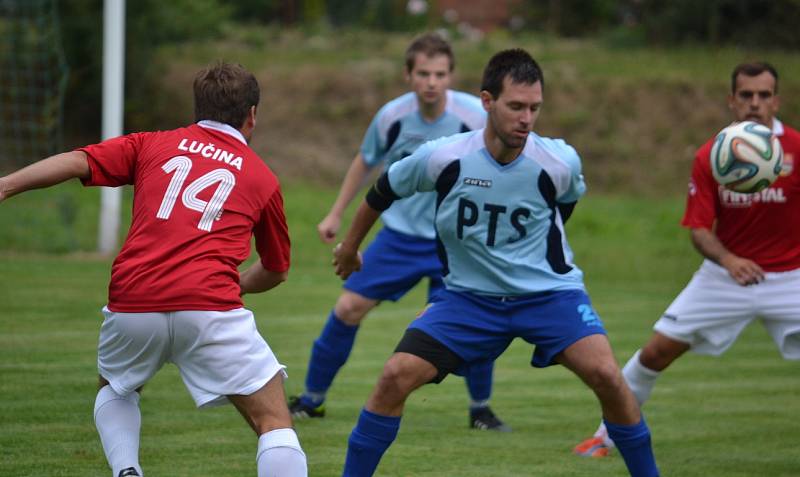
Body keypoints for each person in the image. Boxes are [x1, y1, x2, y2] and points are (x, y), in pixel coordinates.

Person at [332, 48, 660, 477]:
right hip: (469, 301)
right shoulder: (444, 157)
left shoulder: (559, 161)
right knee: (394, 377)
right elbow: (383, 190)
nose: (526, 118)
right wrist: (350, 247)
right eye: (515, 106)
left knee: (608, 377)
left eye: (534, 108)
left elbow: (565, 204)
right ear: (487, 101)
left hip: (549, 295)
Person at [0, 62, 307, 477]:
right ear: (252, 115)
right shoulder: (262, 178)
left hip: (133, 302)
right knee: (272, 421)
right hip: (210, 308)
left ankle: (127, 470)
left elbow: (77, 161)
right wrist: (234, 284)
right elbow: (276, 269)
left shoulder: (152, 144)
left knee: (116, 386)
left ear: (198, 107)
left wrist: (6, 186)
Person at [574, 61, 800, 458]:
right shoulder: (712, 155)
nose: (755, 103)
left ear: (776, 100)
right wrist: (729, 260)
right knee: (655, 352)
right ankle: (605, 436)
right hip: (723, 277)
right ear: (732, 100)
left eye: (764, 95)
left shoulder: (796, 150)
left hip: (791, 277)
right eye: (746, 95)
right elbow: (698, 228)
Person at [289, 33, 510, 431]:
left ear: (451, 76)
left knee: (475, 321)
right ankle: (312, 400)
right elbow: (365, 161)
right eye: (423, 73)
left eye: (440, 74)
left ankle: (481, 410)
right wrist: (335, 213)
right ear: (408, 75)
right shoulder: (392, 116)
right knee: (348, 308)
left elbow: (498, 169)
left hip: (455, 242)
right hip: (399, 237)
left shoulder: (474, 117)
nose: (431, 82)